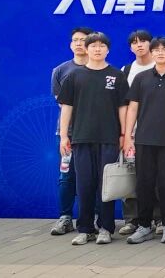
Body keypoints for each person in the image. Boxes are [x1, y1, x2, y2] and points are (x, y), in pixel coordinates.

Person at [57, 32, 129, 246]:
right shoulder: (74, 76)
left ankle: (106, 228)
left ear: (108, 49)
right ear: (86, 49)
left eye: (102, 46)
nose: (97, 49)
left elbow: (123, 108)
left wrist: (124, 135)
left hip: (109, 138)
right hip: (81, 138)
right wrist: (64, 136)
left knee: (106, 185)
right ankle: (85, 229)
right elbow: (66, 108)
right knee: (84, 184)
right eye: (93, 46)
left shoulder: (117, 76)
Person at [122, 37, 165, 244]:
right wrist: (127, 137)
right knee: (144, 184)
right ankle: (144, 226)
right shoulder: (141, 78)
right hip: (143, 140)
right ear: (151, 53)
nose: (160, 53)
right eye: (157, 50)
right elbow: (132, 108)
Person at [50, 26, 93, 236]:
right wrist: (64, 135)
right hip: (68, 133)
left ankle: (93, 218)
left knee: (94, 177)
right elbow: (62, 102)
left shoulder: (101, 69)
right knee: (66, 176)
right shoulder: (60, 71)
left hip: (94, 133)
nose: (78, 43)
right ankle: (65, 217)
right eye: (75, 40)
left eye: (83, 40)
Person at [117, 29, 157, 236]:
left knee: (157, 177)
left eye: (143, 41)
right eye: (134, 42)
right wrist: (125, 134)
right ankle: (132, 219)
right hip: (131, 134)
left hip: (156, 131)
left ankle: (159, 218)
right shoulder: (126, 70)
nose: (139, 45)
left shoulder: (160, 67)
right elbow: (123, 104)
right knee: (131, 175)